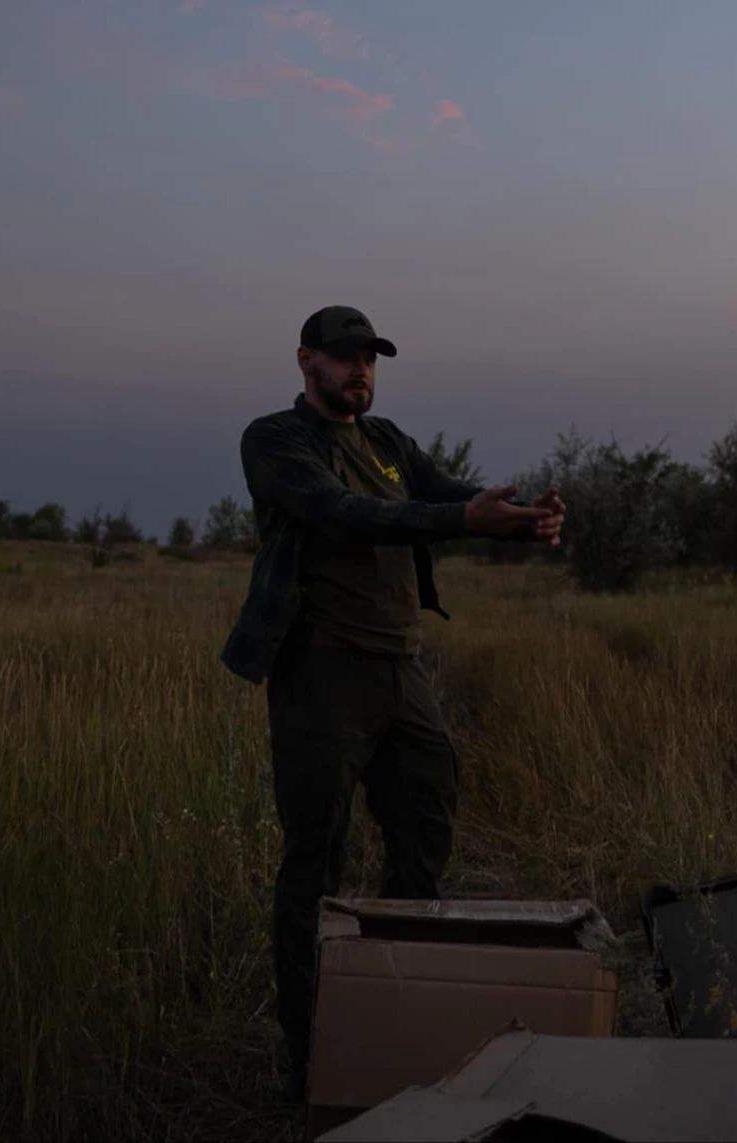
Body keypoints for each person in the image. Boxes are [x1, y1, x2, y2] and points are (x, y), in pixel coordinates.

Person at [219, 304, 564, 1103]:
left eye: (370, 357)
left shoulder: (389, 443)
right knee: (317, 862)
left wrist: (519, 522)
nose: (360, 369)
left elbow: (447, 495)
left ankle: (392, 1010)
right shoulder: (276, 438)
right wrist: (456, 517)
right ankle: (308, 1057)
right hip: (321, 673)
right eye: (344, 357)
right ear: (307, 361)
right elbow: (345, 514)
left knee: (427, 820)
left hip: (399, 669)